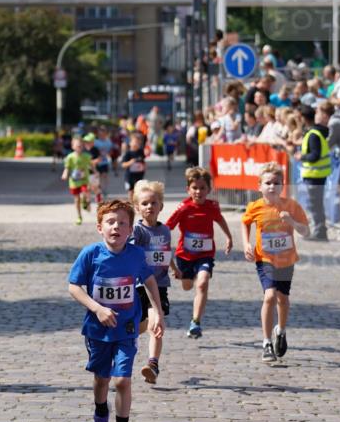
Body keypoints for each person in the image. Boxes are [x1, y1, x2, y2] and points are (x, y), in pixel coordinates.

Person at [68, 198, 165, 422]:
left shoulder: (135, 255)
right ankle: (101, 412)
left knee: (122, 380)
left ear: (130, 230)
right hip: (98, 330)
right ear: (100, 227)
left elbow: (149, 280)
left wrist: (157, 312)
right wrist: (97, 308)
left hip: (127, 328)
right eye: (110, 222)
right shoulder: (91, 254)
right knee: (102, 379)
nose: (116, 227)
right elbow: (74, 287)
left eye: (122, 223)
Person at [241, 162, 309, 363]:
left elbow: (306, 231)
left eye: (276, 183)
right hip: (265, 259)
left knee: (283, 299)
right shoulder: (255, 207)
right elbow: (245, 223)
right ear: (259, 186)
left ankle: (281, 330)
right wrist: (246, 243)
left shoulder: (292, 206)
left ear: (282, 185)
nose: (272, 186)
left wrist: (292, 222)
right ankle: (266, 343)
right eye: (268, 183)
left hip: (286, 260)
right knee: (270, 296)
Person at [165, 166, 233, 338]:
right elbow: (167, 227)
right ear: (188, 189)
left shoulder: (212, 206)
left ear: (209, 189)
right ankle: (187, 278)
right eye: (194, 188)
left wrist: (229, 237)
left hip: (205, 255)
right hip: (185, 255)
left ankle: (195, 322)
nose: (198, 191)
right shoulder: (184, 208)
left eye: (202, 188)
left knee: (202, 283)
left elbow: (220, 219)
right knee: (187, 286)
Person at [131, 180, 174, 384]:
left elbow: (165, 252)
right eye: (145, 203)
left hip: (160, 285)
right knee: (140, 327)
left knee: (156, 323)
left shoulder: (165, 231)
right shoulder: (138, 231)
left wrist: (174, 267)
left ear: (161, 206)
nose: (149, 207)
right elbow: (129, 252)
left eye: (153, 203)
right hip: (139, 286)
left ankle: (153, 364)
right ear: (137, 208)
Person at [298, 102, 332, 241]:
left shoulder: (313, 134)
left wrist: (301, 157)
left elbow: (314, 156)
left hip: (315, 175)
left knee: (315, 204)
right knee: (316, 204)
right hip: (316, 175)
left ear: (303, 118)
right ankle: (320, 230)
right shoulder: (315, 132)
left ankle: (320, 232)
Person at [61, 136, 93, 224]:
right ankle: (79, 216)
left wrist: (95, 171)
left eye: (81, 145)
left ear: (83, 146)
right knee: (76, 199)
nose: (79, 146)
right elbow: (67, 167)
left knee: (85, 193)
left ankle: (85, 202)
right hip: (74, 182)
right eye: (77, 145)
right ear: (73, 146)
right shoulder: (70, 157)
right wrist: (65, 174)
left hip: (84, 180)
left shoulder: (86, 156)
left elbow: (91, 165)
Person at [121, 130, 147, 200]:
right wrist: (130, 162)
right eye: (135, 142)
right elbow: (123, 165)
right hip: (130, 176)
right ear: (130, 143)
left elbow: (143, 161)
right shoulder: (128, 153)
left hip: (139, 175)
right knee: (131, 191)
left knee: (138, 190)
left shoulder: (140, 152)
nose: (136, 144)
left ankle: (137, 202)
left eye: (138, 142)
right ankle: (131, 203)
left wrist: (144, 166)